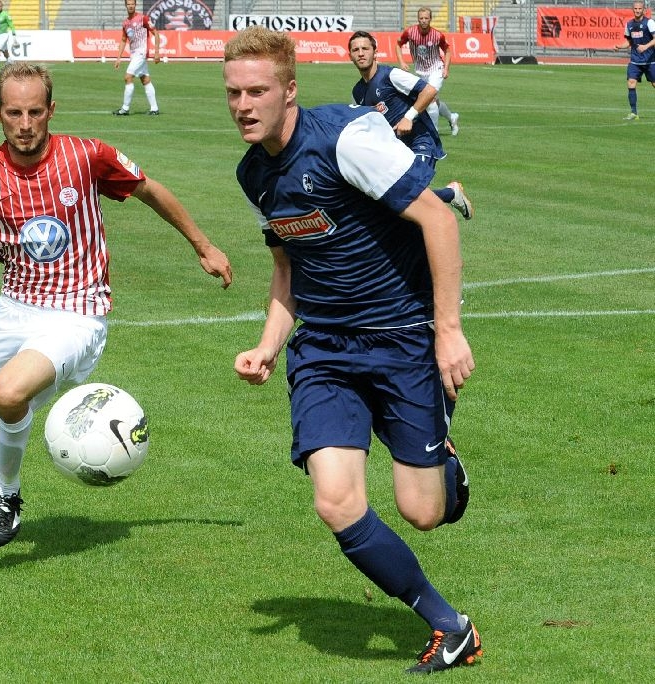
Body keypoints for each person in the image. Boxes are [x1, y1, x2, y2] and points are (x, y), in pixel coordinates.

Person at [0, 62, 232, 549]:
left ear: (51, 110)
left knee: (9, 393)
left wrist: (203, 245)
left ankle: (8, 494)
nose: (25, 124)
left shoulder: (87, 156)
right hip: (14, 309)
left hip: (77, 309)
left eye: (34, 112)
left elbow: (149, 189)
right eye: (14, 113)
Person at [223, 27, 481, 674]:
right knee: (335, 501)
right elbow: (288, 269)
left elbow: (437, 219)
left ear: (289, 90)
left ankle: (444, 460)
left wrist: (447, 330)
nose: (244, 105)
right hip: (324, 352)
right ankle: (450, 626)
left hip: (401, 338)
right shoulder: (254, 174)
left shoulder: (345, 139)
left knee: (424, 512)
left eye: (257, 91)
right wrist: (268, 345)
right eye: (233, 93)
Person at [349, 31, 473, 220]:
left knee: (410, 194)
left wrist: (409, 116)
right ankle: (451, 193)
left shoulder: (391, 75)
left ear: (375, 52)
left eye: (365, 48)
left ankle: (450, 195)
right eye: (355, 50)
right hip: (393, 152)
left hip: (420, 141)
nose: (360, 53)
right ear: (350, 55)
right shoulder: (357, 92)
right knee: (394, 200)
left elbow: (429, 90)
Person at [396, 7, 460, 136]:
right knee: (431, 101)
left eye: (426, 18)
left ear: (430, 19)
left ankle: (433, 133)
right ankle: (452, 117)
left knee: (430, 99)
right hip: (420, 71)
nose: (424, 20)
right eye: (421, 18)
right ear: (418, 19)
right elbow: (398, 44)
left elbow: (447, 50)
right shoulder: (410, 32)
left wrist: (446, 68)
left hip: (436, 69)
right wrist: (401, 62)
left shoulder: (437, 35)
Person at [112, 0, 161, 116]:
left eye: (132, 4)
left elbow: (156, 33)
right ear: (126, 5)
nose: (130, 6)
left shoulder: (143, 19)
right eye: (128, 4)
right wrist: (118, 58)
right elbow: (123, 40)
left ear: (135, 5)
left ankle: (125, 109)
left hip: (141, 53)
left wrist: (156, 52)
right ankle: (154, 109)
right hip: (134, 54)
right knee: (145, 80)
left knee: (128, 77)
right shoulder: (125, 23)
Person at [613, 1, 655, 120]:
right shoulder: (629, 24)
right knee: (631, 82)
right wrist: (619, 46)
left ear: (644, 9)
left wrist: (646, 46)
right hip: (635, 61)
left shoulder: (649, 23)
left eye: (639, 8)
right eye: (635, 8)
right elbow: (629, 42)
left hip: (650, 60)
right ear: (633, 9)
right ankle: (633, 113)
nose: (637, 10)